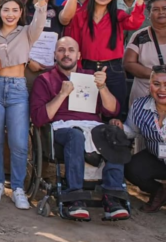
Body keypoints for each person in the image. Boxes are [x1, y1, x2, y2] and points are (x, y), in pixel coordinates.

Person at [30, 37, 128, 220]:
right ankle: (74, 198)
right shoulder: (45, 80)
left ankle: (112, 197)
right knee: (75, 136)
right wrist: (62, 94)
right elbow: (39, 118)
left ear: (79, 55)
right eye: (61, 50)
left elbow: (113, 109)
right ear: (54, 55)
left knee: (114, 132)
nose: (66, 54)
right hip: (62, 128)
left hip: (93, 126)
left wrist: (102, 87)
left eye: (71, 50)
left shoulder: (90, 77)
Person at [0, 0, 46, 209]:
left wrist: (41, 2)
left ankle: (17, 187)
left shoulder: (27, 32)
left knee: (18, 141)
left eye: (15, 10)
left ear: (21, 12)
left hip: (17, 90)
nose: (10, 14)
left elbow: (39, 23)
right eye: (6, 9)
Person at [68, 0, 145, 120]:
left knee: (115, 115)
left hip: (113, 69)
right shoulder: (81, 16)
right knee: (86, 113)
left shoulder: (118, 15)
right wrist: (78, 71)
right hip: (86, 68)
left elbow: (134, 23)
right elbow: (74, 46)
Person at [116, 65, 166, 213]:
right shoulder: (139, 105)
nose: (161, 89)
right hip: (157, 156)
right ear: (150, 85)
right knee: (132, 167)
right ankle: (159, 192)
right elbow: (132, 131)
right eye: (156, 84)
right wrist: (120, 127)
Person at [124, 0, 166, 104]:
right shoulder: (140, 36)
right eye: (156, 9)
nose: (161, 12)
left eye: (165, 8)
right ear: (149, 14)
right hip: (143, 95)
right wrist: (156, 75)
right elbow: (128, 63)